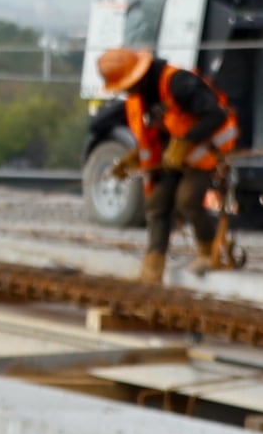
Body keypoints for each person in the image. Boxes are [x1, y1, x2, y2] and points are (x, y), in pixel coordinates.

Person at [97, 45, 246, 282]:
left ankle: (210, 254)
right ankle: (152, 269)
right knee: (156, 204)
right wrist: (134, 159)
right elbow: (156, 136)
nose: (126, 92)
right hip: (174, 157)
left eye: (128, 86)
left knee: (187, 200)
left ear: (140, 76)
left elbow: (216, 115)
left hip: (205, 151)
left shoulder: (178, 83)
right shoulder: (139, 100)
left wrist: (186, 143)